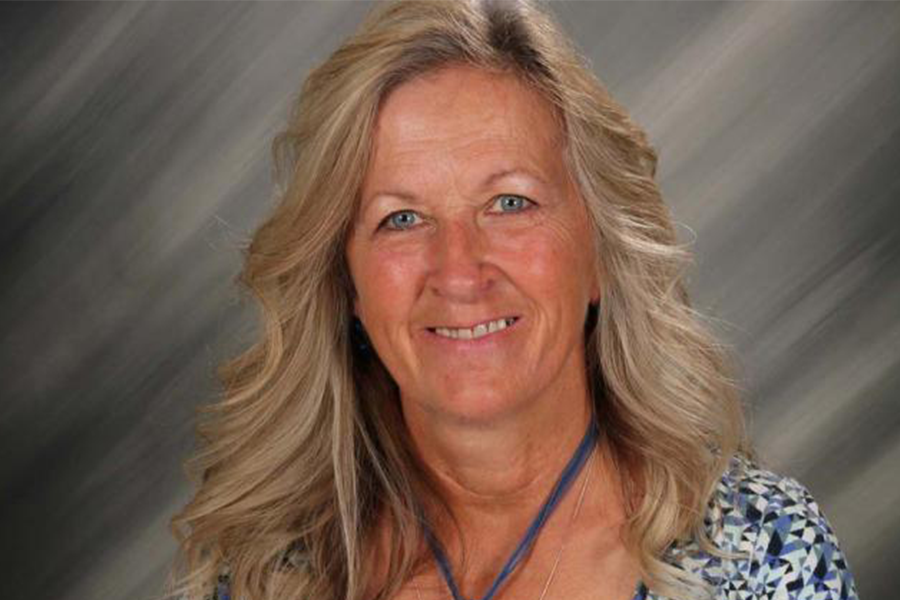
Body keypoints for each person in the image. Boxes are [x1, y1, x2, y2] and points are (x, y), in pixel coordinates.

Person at [166, 1, 859, 600]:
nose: (459, 269)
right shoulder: (265, 574)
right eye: (401, 218)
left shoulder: (757, 556)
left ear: (600, 257)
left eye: (509, 202)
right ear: (345, 284)